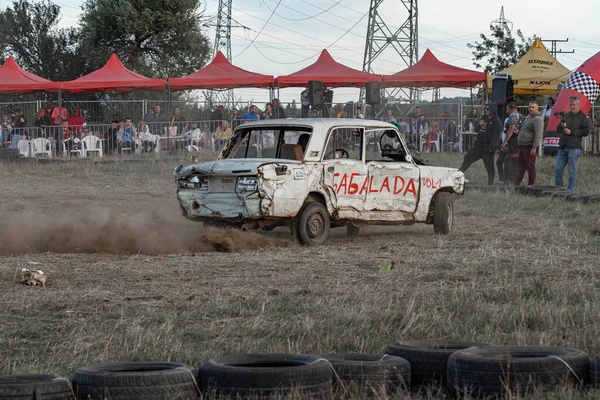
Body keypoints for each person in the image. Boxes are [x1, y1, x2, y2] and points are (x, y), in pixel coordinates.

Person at [459, 103, 502, 185]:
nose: (485, 110)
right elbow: (476, 129)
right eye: (485, 109)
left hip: (487, 148)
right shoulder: (484, 118)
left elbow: (497, 136)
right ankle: (458, 174)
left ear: (493, 110)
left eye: (488, 109)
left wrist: (492, 147)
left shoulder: (496, 121)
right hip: (479, 147)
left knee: (490, 167)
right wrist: (479, 125)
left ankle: (490, 184)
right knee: (468, 157)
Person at [554, 97, 590, 192]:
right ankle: (558, 188)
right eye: (570, 105)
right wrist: (562, 127)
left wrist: (572, 132)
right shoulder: (566, 115)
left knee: (572, 170)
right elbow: (558, 129)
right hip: (563, 146)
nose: (572, 107)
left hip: (574, 147)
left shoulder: (584, 117)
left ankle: (570, 190)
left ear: (578, 105)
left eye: (574, 105)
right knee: (558, 169)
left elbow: (586, 131)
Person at [514, 102, 544, 186]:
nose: (531, 109)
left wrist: (534, 147)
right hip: (523, 146)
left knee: (530, 166)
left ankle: (531, 185)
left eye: (533, 107)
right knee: (520, 166)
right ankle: (516, 184)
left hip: (529, 146)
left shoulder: (537, 119)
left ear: (537, 109)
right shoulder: (529, 118)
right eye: (530, 107)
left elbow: (538, 134)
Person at [497, 102, 521, 184]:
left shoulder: (513, 115)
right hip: (515, 139)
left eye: (508, 109)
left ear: (512, 109)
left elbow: (511, 129)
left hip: (513, 141)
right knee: (508, 159)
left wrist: (505, 142)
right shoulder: (519, 115)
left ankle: (510, 179)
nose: (507, 111)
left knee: (511, 160)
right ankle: (507, 179)